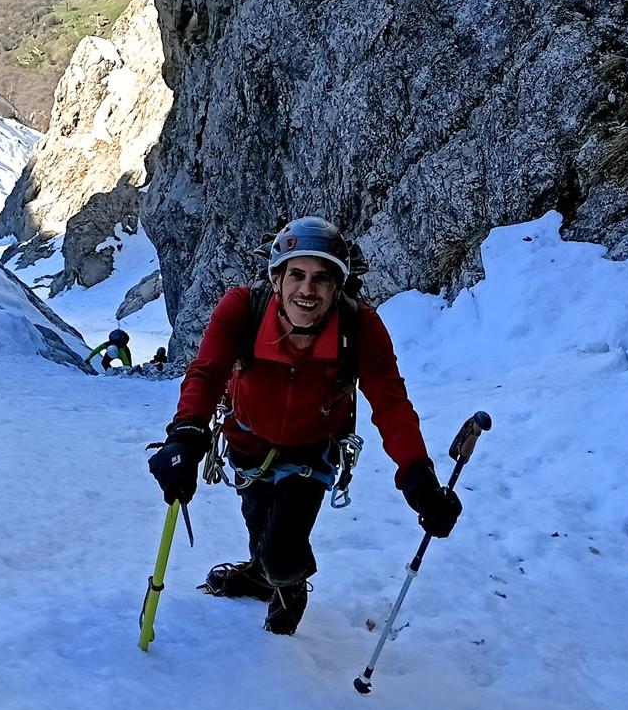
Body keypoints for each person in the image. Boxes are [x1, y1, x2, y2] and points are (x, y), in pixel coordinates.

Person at [146, 216, 462, 634]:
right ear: (276, 279)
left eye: (322, 278)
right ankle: (263, 573)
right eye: (297, 274)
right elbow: (207, 372)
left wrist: (417, 474)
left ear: (338, 286)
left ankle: (287, 585)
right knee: (259, 524)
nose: (307, 290)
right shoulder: (242, 308)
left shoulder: (360, 326)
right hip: (247, 444)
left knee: (283, 550)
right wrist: (186, 435)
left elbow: (390, 403)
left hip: (312, 452)